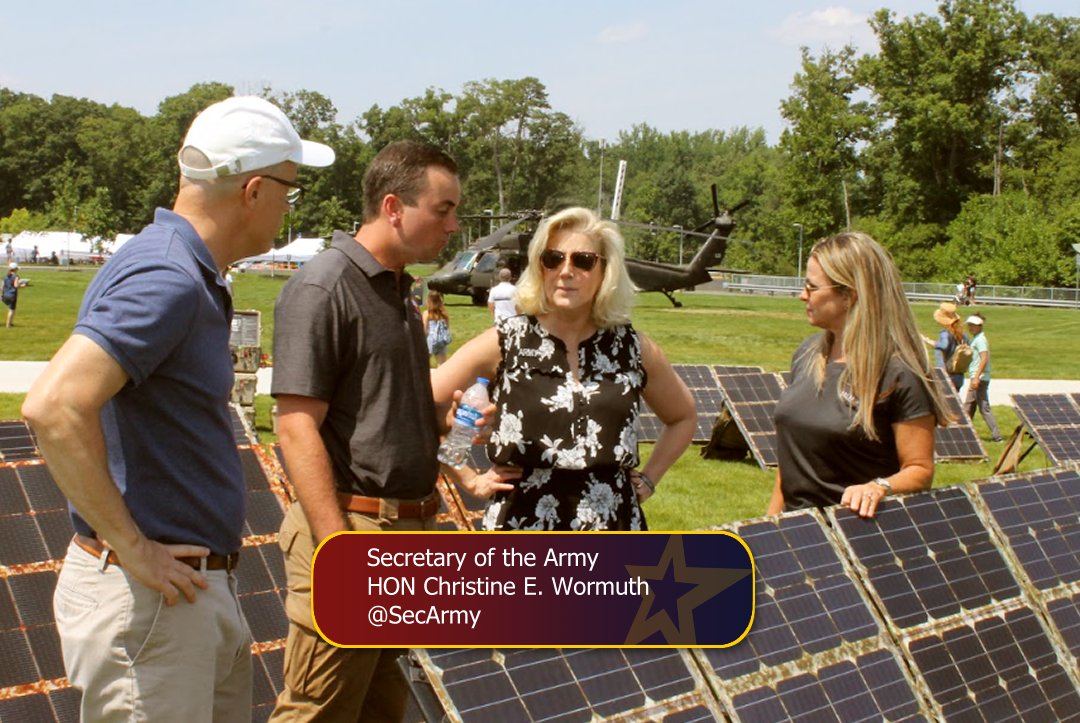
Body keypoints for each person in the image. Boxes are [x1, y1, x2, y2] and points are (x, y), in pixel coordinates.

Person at [21, 95, 334, 721]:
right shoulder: (167, 275)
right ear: (252, 190)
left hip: (177, 600)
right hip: (150, 605)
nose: (286, 207)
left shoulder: (181, 267)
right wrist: (133, 548)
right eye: (289, 191)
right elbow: (54, 406)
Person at [270, 140, 462, 721]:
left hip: (401, 537)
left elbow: (373, 411)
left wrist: (433, 419)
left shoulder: (398, 290)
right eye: (443, 208)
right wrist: (338, 552)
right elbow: (296, 427)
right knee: (317, 712)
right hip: (352, 531)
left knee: (380, 710)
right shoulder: (324, 287)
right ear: (394, 207)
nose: (453, 225)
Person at [432, 206, 696, 531]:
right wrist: (468, 478)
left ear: (606, 271)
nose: (565, 270)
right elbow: (419, 403)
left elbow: (683, 417)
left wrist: (651, 480)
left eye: (582, 261)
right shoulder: (505, 341)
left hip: (612, 530)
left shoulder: (634, 349)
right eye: (553, 258)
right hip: (520, 529)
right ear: (540, 266)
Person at [769, 232, 951, 519]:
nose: (803, 295)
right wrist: (770, 525)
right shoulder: (807, 355)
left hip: (857, 535)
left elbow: (920, 470)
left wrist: (879, 486)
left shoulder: (899, 373)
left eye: (811, 287)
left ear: (848, 296)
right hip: (799, 534)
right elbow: (791, 462)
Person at [964, 313, 1003, 442]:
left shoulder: (980, 340)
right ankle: (964, 433)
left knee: (983, 408)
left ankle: (997, 436)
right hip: (977, 377)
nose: (971, 328)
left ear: (980, 326)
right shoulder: (976, 338)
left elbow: (984, 358)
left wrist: (976, 377)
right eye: (969, 325)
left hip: (979, 378)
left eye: (973, 326)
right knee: (969, 407)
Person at [932, 301, 967, 391]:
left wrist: (932, 343)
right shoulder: (961, 334)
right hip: (959, 375)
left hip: (947, 376)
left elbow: (944, 345)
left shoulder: (945, 333)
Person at [423, 288, 452, 366]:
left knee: (423, 363)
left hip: (430, 341)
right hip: (441, 341)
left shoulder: (427, 313)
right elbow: (447, 327)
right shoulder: (444, 314)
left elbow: (425, 330)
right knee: (442, 365)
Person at [3, 262, 25, 327]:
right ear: (15, 269)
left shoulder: (5, 276)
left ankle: (10, 323)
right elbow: (16, 285)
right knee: (11, 310)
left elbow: (3, 286)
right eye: (17, 269)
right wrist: (22, 286)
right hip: (12, 295)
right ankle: (8, 324)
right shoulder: (16, 276)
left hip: (6, 294)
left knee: (11, 309)